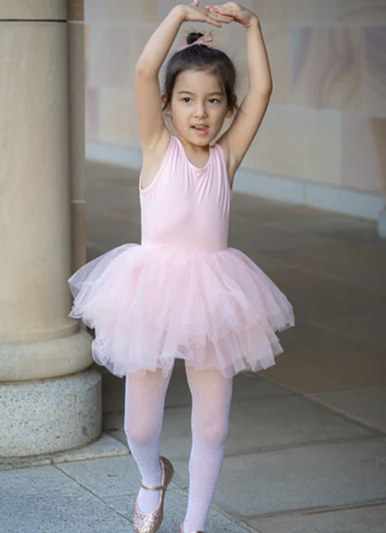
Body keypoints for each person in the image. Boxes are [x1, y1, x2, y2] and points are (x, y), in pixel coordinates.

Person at [67, 2, 295, 532]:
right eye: (188, 100)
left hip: (217, 297)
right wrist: (178, 15)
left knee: (212, 426)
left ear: (227, 108)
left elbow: (263, 92)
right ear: (167, 107)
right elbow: (146, 70)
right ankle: (153, 478)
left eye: (214, 101)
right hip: (151, 295)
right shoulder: (157, 148)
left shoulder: (226, 158)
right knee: (142, 429)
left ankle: (193, 525)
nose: (200, 112)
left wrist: (252, 26)